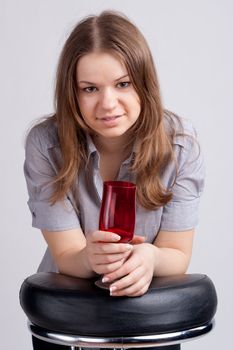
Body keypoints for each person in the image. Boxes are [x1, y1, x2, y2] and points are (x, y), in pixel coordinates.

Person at [24, 10, 205, 350]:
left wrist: (150, 257)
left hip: (147, 316)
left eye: (123, 84)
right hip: (71, 315)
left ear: (143, 83)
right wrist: (91, 257)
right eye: (89, 88)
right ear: (72, 93)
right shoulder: (45, 145)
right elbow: (67, 256)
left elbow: (177, 253)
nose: (108, 104)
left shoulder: (181, 144)